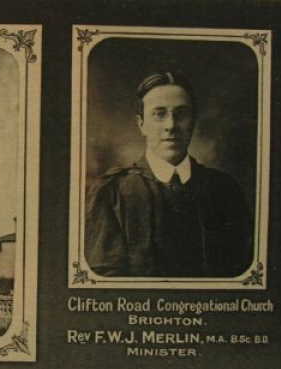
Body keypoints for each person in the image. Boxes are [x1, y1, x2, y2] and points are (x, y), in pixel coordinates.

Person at [85, 72, 253, 277]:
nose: (171, 126)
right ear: (141, 123)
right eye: (160, 114)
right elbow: (104, 286)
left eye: (181, 114)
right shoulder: (112, 193)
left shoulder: (224, 190)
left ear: (193, 121)